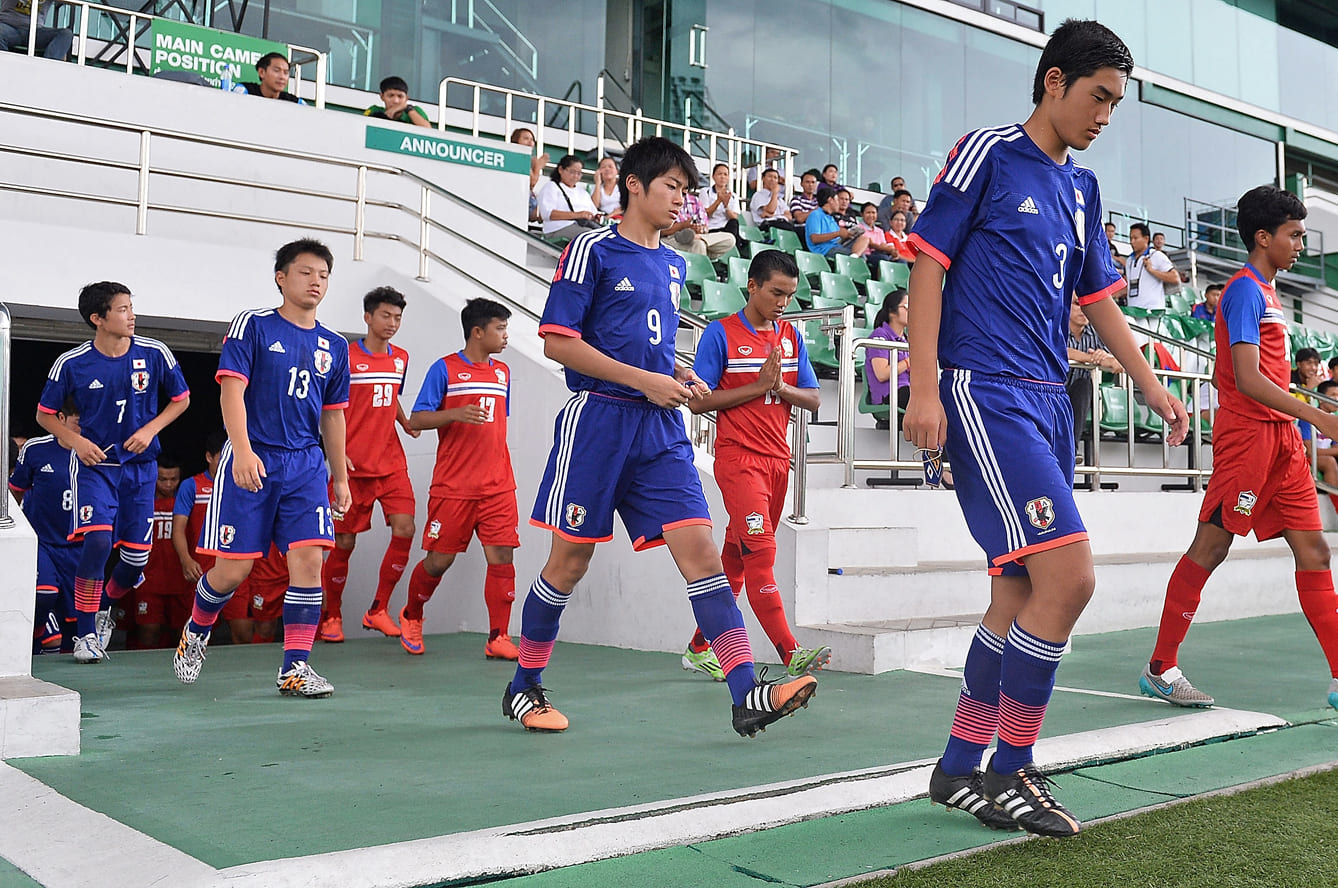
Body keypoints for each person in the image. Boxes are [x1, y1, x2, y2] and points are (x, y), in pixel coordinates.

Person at [903, 20, 1187, 837]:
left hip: (1048, 396)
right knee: (1070, 579)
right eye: (1098, 97)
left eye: (1115, 104)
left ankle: (957, 768)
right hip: (982, 392)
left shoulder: (1083, 189)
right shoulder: (985, 152)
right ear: (1054, 81)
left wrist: (1152, 385)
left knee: (1019, 590)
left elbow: (1097, 301)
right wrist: (925, 392)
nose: (1105, 115)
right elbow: (927, 263)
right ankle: (1011, 769)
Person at [507, 135, 818, 735]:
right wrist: (645, 380)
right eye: (673, 186)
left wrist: (677, 374)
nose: (683, 199)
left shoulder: (674, 262)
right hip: (597, 421)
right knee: (568, 565)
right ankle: (525, 685)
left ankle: (745, 691)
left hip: (660, 429)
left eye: (688, 189)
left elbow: (647, 344)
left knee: (702, 552)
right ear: (634, 185)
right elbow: (557, 341)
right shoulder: (590, 248)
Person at [1140, 185, 1338, 716]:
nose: (1300, 244)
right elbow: (1248, 378)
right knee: (1210, 548)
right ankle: (1161, 667)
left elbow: (1248, 371)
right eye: (1294, 235)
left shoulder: (1269, 293)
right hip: (1250, 440)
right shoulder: (1245, 290)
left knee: (1315, 552)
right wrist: (1316, 415)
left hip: (1283, 445)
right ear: (1262, 237)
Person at [172, 238, 351, 698]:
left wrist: (340, 475)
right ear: (282, 277)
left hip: (306, 464)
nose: (316, 281)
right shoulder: (252, 325)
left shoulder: (334, 343)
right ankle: (196, 630)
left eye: (324, 275)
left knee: (309, 561)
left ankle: (295, 667)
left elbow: (333, 413)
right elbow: (230, 390)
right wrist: (243, 449)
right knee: (233, 571)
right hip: (253, 456)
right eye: (306, 272)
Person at [680, 251, 829, 680]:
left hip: (778, 460)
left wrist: (779, 386)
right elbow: (699, 399)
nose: (783, 302)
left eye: (790, 295)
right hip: (738, 458)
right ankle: (790, 653)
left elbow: (814, 398)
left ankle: (698, 647)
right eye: (776, 293)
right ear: (753, 286)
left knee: (737, 556)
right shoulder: (720, 334)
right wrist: (757, 387)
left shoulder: (790, 336)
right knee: (761, 554)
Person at [37, 281, 191, 664]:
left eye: (131, 307)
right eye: (122, 309)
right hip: (95, 467)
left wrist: (151, 428)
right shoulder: (72, 362)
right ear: (98, 319)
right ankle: (86, 635)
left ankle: (102, 607)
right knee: (98, 542)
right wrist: (76, 443)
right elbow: (43, 415)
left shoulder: (155, 352)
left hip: (140, 469)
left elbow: (181, 399)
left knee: (137, 558)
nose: (132, 315)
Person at [400, 298, 519, 659]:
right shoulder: (444, 369)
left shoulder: (503, 373)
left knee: (502, 556)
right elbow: (417, 420)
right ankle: (411, 615)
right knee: (439, 560)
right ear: (478, 332)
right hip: (454, 486)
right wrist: (455, 414)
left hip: (498, 484)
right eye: (500, 329)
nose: (506, 336)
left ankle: (498, 637)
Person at [317, 287, 420, 643]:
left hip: (391, 464)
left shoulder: (401, 357)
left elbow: (390, 397)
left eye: (397, 317)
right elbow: (327, 407)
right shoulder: (344, 356)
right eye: (385, 316)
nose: (392, 323)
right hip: (353, 467)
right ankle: (331, 615)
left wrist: (404, 421)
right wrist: (335, 452)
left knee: (405, 528)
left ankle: (378, 609)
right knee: (343, 543)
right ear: (368, 317)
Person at [8, 398, 80, 656]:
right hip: (42, 543)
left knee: (75, 623)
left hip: (78, 547)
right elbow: (14, 494)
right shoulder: (35, 450)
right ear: (60, 419)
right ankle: (31, 643)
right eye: (77, 423)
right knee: (44, 593)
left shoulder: (96, 452)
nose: (83, 429)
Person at [132, 459, 190, 649]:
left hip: (181, 579)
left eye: (173, 479)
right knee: (148, 632)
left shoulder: (186, 501)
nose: (168, 484)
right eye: (162, 479)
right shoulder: (141, 500)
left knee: (182, 634)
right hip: (148, 578)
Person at [171, 432, 222, 638]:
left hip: (232, 567)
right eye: (222, 457)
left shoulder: (241, 483)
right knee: (194, 630)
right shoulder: (191, 485)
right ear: (209, 457)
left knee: (243, 629)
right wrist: (186, 560)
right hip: (199, 568)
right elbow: (178, 528)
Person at [1064, 295, 1123, 451]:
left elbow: (1119, 362)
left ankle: (1072, 449)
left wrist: (1108, 358)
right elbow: (1058, 350)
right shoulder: (1056, 327)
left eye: (1087, 304)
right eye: (1077, 304)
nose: (1083, 309)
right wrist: (1092, 358)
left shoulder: (1096, 331)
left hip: (1081, 396)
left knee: (1084, 386)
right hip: (1054, 390)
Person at [865, 289, 911, 412]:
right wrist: (908, 362)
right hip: (889, 394)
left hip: (907, 389)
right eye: (907, 306)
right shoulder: (880, 335)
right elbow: (882, 374)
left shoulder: (905, 340)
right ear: (892, 311)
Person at [536, 155, 601, 241]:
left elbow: (593, 212)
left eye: (579, 173)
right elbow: (547, 214)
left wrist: (594, 217)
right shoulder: (552, 187)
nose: (575, 176)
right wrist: (578, 215)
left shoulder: (583, 193)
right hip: (558, 228)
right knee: (589, 236)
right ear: (561, 170)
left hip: (582, 226)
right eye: (572, 172)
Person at [664, 187, 734, 259]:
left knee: (730, 238)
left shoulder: (695, 200)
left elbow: (705, 227)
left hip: (698, 237)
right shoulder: (666, 200)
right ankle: (691, 237)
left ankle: (694, 237)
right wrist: (683, 225)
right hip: (673, 238)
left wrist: (700, 229)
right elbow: (661, 231)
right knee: (699, 244)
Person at [805, 185, 870, 259]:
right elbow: (814, 238)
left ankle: (853, 258)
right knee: (861, 258)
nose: (838, 204)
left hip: (837, 246)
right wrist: (838, 233)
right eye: (837, 200)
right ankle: (852, 260)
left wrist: (846, 235)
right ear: (830, 200)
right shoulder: (815, 215)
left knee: (864, 239)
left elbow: (837, 239)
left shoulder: (830, 218)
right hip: (824, 250)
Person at [1125, 222, 1178, 310]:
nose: (1132, 242)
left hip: (1152, 310)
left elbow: (1175, 278)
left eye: (1135, 238)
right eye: (1130, 238)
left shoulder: (1156, 255)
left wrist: (1152, 270)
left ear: (1146, 239)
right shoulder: (1129, 260)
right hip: (1133, 309)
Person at [0, 0, 72, 60]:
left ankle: (47, 70)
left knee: (66, 34)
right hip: (8, 26)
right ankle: (6, 67)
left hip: (36, 32)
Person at [700, 162, 742, 248]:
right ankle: (739, 246)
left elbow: (734, 217)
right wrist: (719, 200)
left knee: (734, 223)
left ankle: (736, 247)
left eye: (725, 174)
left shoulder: (733, 195)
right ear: (713, 176)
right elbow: (705, 213)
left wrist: (726, 206)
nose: (722, 176)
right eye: (719, 174)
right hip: (711, 229)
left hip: (726, 228)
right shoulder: (705, 192)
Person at [363, 75, 430, 127]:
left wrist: (409, 109)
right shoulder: (374, 110)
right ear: (382, 97)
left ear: (407, 98)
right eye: (391, 96)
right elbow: (364, 126)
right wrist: (389, 113)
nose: (396, 101)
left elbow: (428, 130)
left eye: (400, 96)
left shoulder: (415, 111)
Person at [510, 127, 546, 224]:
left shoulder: (524, 158)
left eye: (532, 140)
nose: (530, 142)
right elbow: (532, 182)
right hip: (521, 202)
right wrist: (538, 167)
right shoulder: (519, 157)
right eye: (526, 139)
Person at [749, 168, 794, 232]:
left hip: (781, 223)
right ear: (763, 178)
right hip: (766, 226)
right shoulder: (758, 195)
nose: (772, 180)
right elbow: (770, 210)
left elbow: (789, 216)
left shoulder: (779, 200)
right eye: (770, 177)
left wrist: (773, 216)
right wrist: (775, 193)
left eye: (775, 178)